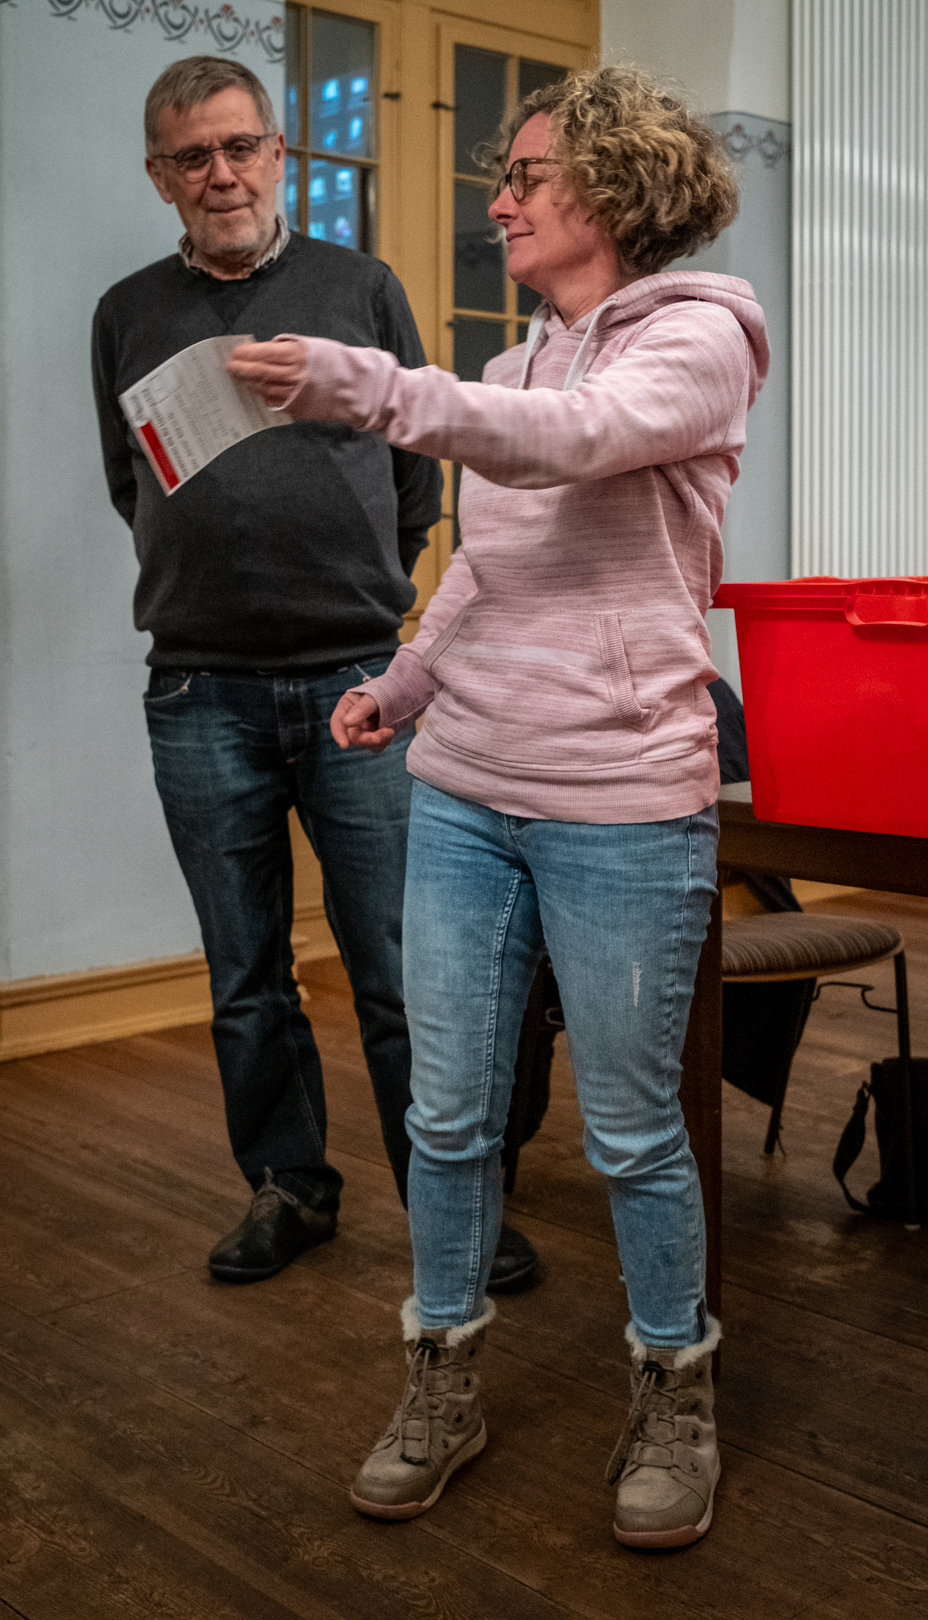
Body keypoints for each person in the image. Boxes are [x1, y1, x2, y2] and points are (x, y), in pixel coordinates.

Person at [230, 65, 767, 1547]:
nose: (502, 202)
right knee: (451, 1116)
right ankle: (441, 1382)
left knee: (634, 1134)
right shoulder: (519, 362)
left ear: (617, 186)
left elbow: (577, 440)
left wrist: (368, 387)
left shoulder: (702, 339)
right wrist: (405, 685)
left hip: (621, 803)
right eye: (503, 178)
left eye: (528, 175)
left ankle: (674, 1394)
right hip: (467, 790)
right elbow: (490, 561)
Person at [91, 55, 537, 1292]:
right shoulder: (126, 312)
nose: (221, 173)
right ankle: (289, 1187)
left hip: (357, 682)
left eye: (241, 146)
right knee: (245, 976)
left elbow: (416, 474)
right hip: (199, 691)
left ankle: (456, 1208)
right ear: (161, 177)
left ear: (278, 155)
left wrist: (364, 590)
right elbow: (130, 480)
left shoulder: (359, 286)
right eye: (193, 156)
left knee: (399, 971)